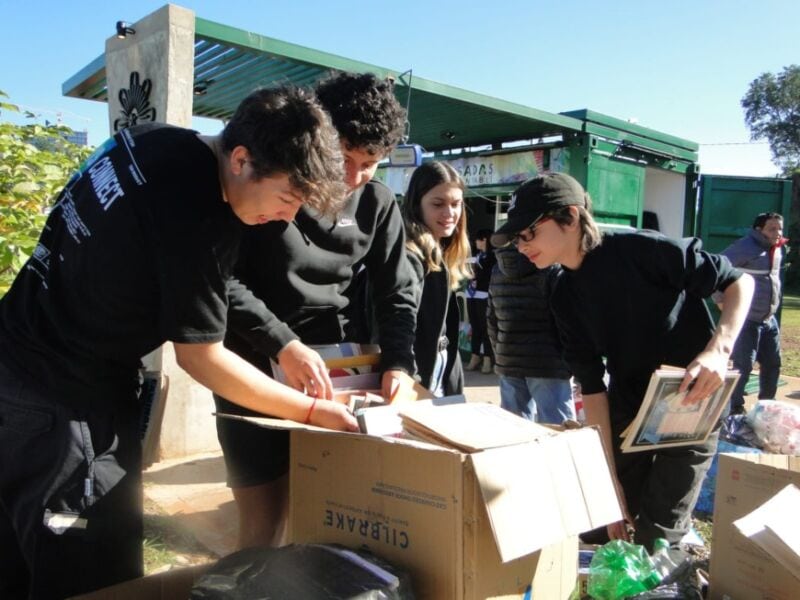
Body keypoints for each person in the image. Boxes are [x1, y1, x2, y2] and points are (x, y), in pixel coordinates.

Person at [0, 86, 359, 599]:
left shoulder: (154, 143)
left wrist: (282, 342)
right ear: (241, 159)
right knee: (86, 575)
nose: (286, 218)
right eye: (287, 198)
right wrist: (307, 412)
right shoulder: (198, 209)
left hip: (14, 366)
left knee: (17, 559)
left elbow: (201, 276)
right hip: (65, 402)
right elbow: (201, 357)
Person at [491, 172, 754, 551]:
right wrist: (608, 480)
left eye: (527, 234)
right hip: (630, 407)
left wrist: (718, 349)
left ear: (570, 216)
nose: (520, 247)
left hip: (692, 401)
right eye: (516, 239)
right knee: (604, 519)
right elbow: (593, 389)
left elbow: (739, 282)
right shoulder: (563, 295)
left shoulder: (642, 250)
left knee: (658, 534)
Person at [214, 72, 418, 549]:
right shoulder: (267, 182)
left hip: (338, 374)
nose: (354, 176)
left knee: (336, 517)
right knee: (263, 526)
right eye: (345, 157)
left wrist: (400, 364)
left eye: (371, 163)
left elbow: (397, 292)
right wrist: (281, 343)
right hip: (253, 366)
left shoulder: (379, 203)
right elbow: (219, 279)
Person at [402, 162, 471, 396]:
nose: (449, 213)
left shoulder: (438, 253)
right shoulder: (409, 256)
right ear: (416, 205)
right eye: (438, 204)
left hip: (438, 371)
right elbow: (399, 327)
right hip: (416, 377)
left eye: (456, 204)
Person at [488, 245, 575, 424]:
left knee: (513, 430)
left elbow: (491, 318)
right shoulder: (551, 266)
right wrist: (574, 364)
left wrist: (500, 354)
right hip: (549, 362)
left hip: (508, 359)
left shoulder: (498, 268)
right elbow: (567, 321)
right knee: (557, 430)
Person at [716, 212, 787, 415]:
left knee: (773, 363)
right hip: (747, 320)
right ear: (759, 230)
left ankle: (767, 407)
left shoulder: (777, 249)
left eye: (779, 228)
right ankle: (734, 410)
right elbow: (717, 268)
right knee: (743, 366)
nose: (777, 232)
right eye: (772, 228)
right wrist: (720, 300)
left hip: (768, 319)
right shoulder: (744, 247)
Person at [465, 229, 496, 374]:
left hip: (484, 294)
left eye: (477, 240)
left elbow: (489, 277)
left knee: (485, 328)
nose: (475, 242)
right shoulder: (476, 256)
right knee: (475, 326)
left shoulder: (491, 257)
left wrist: (477, 273)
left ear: (484, 240)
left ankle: (488, 358)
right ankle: (475, 356)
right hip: (472, 294)